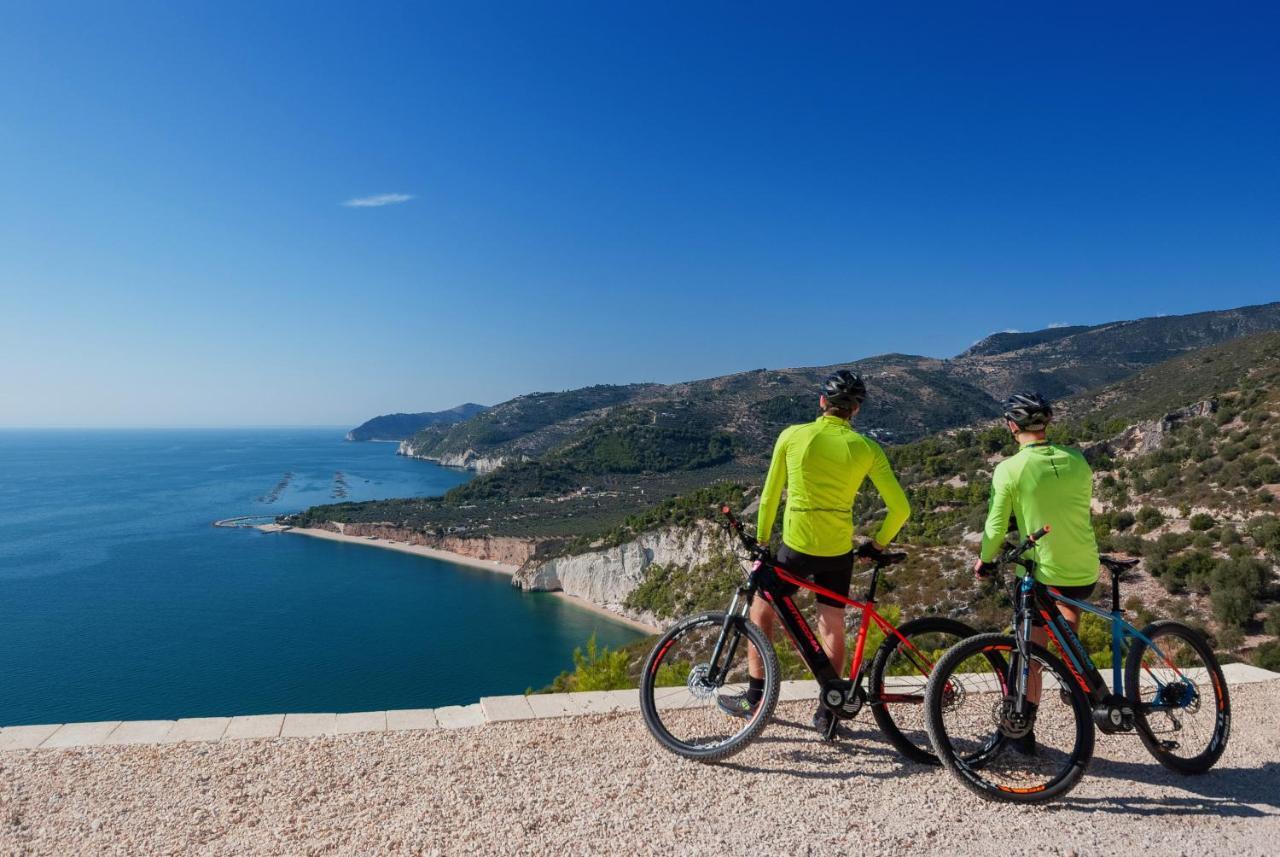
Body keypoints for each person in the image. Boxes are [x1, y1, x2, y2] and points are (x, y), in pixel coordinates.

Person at [718, 369, 911, 735]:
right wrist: (878, 543)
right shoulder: (867, 449)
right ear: (856, 411)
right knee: (832, 624)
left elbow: (770, 495)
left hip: (797, 546)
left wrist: (761, 540)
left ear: (822, 402)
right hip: (838, 549)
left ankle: (756, 698)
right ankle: (829, 710)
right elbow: (901, 509)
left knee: (761, 610)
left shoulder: (793, 436)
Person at [974, 392, 1100, 755]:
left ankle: (1023, 730)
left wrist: (985, 558)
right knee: (1068, 616)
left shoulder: (1009, 469)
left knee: (1030, 649)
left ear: (1012, 426)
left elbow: (996, 526)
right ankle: (1075, 677)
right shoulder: (1077, 459)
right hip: (1084, 564)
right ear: (1046, 424)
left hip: (1044, 566)